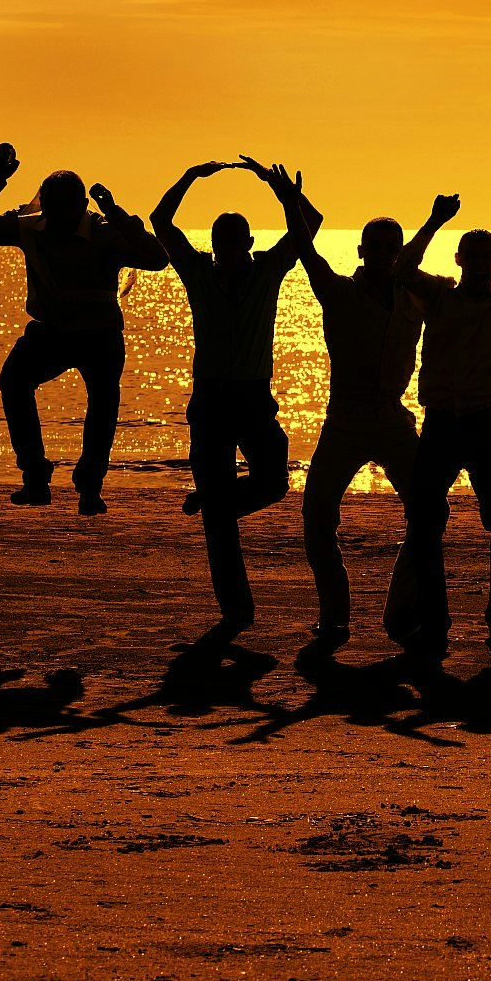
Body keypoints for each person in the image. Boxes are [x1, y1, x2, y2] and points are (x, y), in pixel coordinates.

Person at [239, 156, 423, 645]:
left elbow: (468, 299)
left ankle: (400, 611)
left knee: (429, 512)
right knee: (317, 515)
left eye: (392, 248)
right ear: (361, 251)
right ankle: (336, 614)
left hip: (393, 418)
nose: (384, 254)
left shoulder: (415, 297)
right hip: (345, 418)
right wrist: (288, 202)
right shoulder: (338, 293)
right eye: (376, 247)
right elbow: (305, 248)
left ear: (400, 253)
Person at [0, 148, 168, 514]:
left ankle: (89, 488)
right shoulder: (29, 227)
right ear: (44, 204)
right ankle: (35, 477)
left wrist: (116, 212)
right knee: (13, 381)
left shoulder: (105, 233)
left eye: (67, 207)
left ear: (82, 205)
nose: (59, 215)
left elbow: (156, 258)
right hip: (50, 332)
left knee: (103, 405)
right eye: (52, 206)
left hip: (99, 336)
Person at [384, 181, 491, 649]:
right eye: (469, 255)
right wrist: (434, 221)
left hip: (481, 422)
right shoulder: (439, 297)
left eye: (485, 256)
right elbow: (402, 269)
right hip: (439, 424)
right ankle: (435, 619)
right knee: (426, 524)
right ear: (460, 261)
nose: (477, 262)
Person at [152, 161, 301, 646]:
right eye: (221, 242)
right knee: (220, 522)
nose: (228, 249)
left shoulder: (268, 272)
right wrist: (190, 177)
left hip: (255, 396)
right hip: (212, 398)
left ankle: (215, 502)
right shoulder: (198, 271)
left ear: (249, 244)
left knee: (274, 479)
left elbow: (309, 228)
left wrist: (281, 191)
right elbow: (161, 221)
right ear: (214, 245)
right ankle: (236, 608)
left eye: (236, 241)